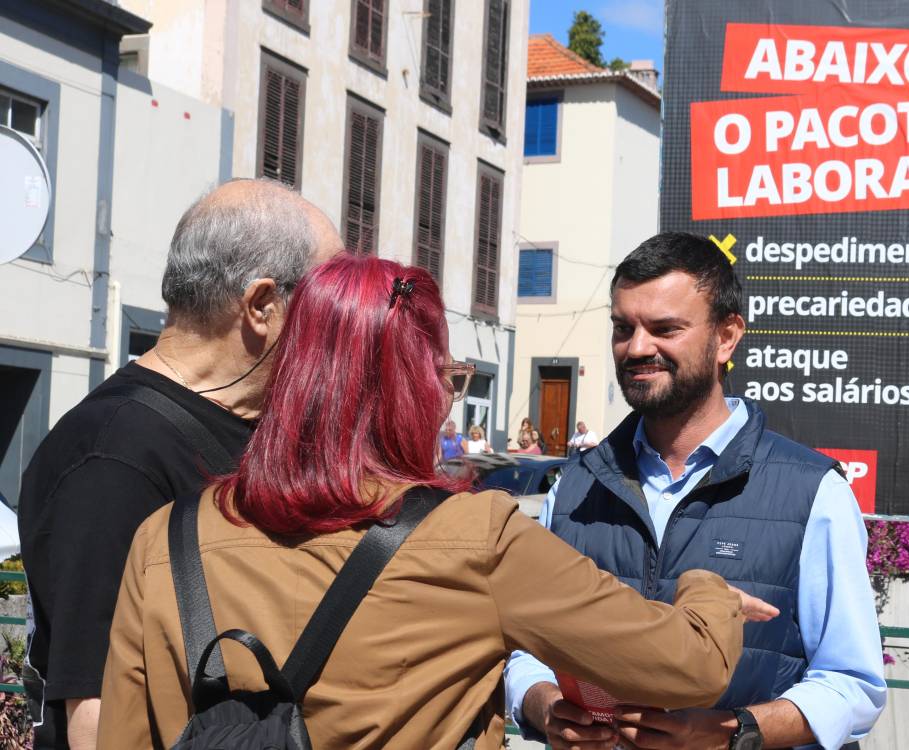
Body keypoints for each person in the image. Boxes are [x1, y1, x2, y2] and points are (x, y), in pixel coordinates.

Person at [99, 253, 754, 747]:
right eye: (444, 375)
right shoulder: (474, 536)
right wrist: (707, 591)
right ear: (415, 385)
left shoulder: (164, 535)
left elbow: (122, 734)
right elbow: (686, 666)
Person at [505, 232, 886, 750]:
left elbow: (852, 686)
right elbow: (527, 646)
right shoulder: (573, 486)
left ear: (727, 336)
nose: (637, 348)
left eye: (665, 329)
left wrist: (731, 733)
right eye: (623, 328)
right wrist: (541, 703)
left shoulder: (813, 493)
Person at [18, 179, 342, 750]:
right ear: (262, 306)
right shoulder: (113, 460)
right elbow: (98, 720)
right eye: (328, 301)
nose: (340, 325)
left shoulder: (250, 431)